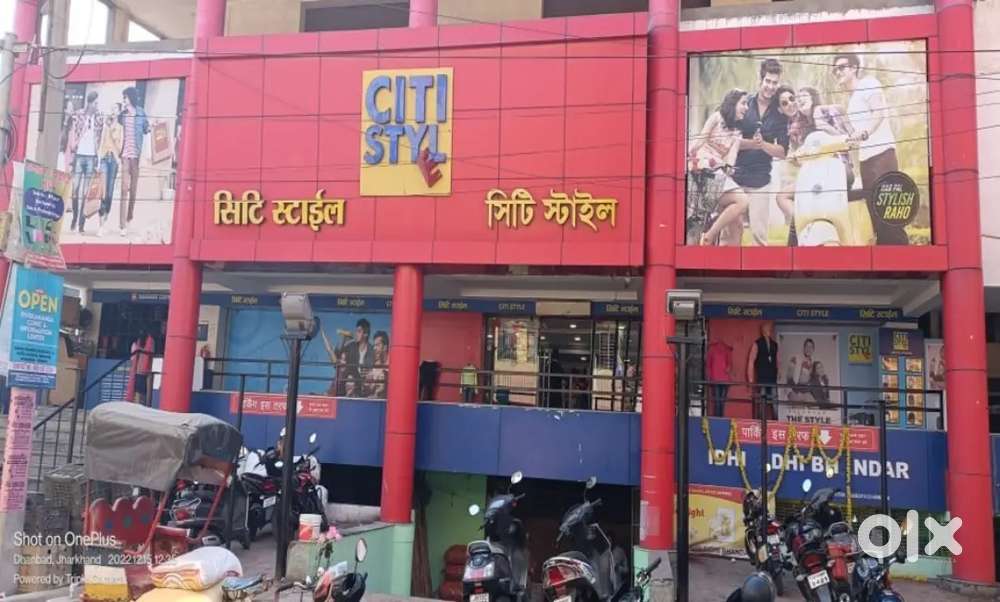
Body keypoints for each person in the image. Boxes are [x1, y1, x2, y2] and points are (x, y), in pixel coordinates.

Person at [833, 53, 908, 245]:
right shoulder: (851, 102)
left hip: (882, 155)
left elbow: (879, 112)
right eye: (835, 70)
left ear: (854, 68)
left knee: (888, 213)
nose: (837, 72)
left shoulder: (868, 83)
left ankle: (903, 257)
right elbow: (856, 134)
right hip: (865, 160)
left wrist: (866, 132)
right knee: (875, 216)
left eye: (841, 67)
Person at [733, 59, 790, 246]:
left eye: (775, 83)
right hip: (736, 177)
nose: (771, 87)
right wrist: (753, 144)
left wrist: (763, 145)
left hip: (761, 181)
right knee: (731, 233)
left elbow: (782, 152)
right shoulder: (744, 104)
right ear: (761, 80)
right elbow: (731, 142)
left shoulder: (780, 113)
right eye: (768, 81)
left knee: (759, 237)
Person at [688, 88, 752, 246]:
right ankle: (708, 236)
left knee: (739, 209)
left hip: (718, 172)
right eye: (743, 103)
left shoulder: (737, 132)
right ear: (733, 103)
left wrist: (729, 168)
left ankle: (710, 236)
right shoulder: (716, 117)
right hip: (702, 168)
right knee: (741, 201)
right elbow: (700, 141)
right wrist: (689, 156)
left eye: (747, 104)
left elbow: (731, 158)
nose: (746, 108)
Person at [68, 91, 102, 234]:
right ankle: (74, 217)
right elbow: (72, 130)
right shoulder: (79, 114)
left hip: (91, 156)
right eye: (95, 103)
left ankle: (81, 223)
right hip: (79, 155)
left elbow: (101, 135)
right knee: (75, 189)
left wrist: (98, 158)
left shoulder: (99, 117)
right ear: (90, 103)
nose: (97, 106)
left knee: (85, 192)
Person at [118, 87, 150, 236]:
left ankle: (129, 216)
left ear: (130, 98)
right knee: (124, 189)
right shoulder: (122, 115)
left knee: (133, 190)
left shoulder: (141, 113)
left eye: (125, 97)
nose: (123, 100)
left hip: (136, 157)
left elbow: (146, 129)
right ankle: (122, 225)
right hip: (125, 156)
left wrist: (152, 126)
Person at [97, 103, 123, 237]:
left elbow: (119, 147)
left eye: (115, 109)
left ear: (119, 112)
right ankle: (101, 225)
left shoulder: (120, 128)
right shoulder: (105, 126)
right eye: (111, 108)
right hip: (104, 159)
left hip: (113, 160)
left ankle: (105, 219)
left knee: (110, 193)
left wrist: (112, 132)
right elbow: (101, 143)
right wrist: (98, 160)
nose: (112, 111)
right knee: (103, 191)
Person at [746, 323, 778, 420]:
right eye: (767, 328)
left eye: (770, 329)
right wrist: (750, 378)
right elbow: (751, 361)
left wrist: (779, 372)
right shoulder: (757, 343)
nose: (769, 330)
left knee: (774, 402)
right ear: (762, 330)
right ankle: (760, 421)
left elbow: (777, 361)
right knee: (761, 402)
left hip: (772, 378)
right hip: (762, 378)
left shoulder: (774, 344)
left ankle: (776, 421)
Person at [705, 338, 733, 416]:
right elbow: (730, 365)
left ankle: (717, 419)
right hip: (724, 380)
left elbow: (708, 365)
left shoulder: (711, 349)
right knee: (721, 402)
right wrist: (728, 368)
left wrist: (709, 377)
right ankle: (721, 418)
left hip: (715, 379)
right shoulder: (727, 349)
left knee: (717, 402)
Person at [366, 331, 389, 399]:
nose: (374, 348)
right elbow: (369, 389)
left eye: (377, 345)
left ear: (385, 347)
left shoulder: (394, 363)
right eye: (374, 345)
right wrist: (369, 383)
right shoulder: (375, 365)